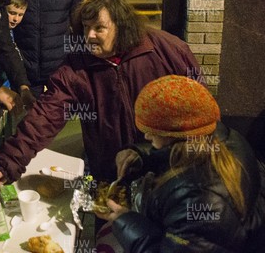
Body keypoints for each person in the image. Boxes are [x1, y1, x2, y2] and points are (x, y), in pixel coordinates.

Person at [0, 0, 202, 184]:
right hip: (110, 174)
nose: (89, 35)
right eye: (85, 27)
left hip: (165, 171)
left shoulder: (166, 50)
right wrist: (8, 161)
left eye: (99, 28)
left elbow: (199, 110)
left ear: (121, 26)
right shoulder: (77, 66)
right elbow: (46, 115)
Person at [95, 75, 265, 252]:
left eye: (151, 131)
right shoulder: (222, 136)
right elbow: (174, 153)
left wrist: (125, 221)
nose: (146, 136)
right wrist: (140, 155)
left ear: (173, 134)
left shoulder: (199, 199)